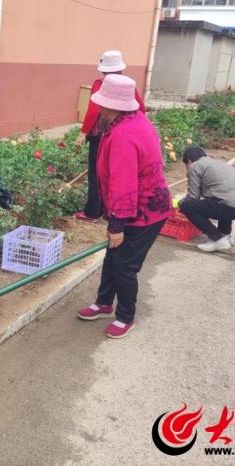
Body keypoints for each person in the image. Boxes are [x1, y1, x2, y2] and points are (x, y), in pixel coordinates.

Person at [76, 74, 171, 339]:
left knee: (125, 266)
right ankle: (104, 303)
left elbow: (123, 184)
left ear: (116, 105)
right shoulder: (132, 120)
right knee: (112, 257)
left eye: (103, 104)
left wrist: (116, 226)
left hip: (145, 211)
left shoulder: (124, 135)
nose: (100, 109)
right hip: (138, 205)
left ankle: (125, 315)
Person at [74, 50, 146, 222]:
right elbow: (141, 107)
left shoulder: (101, 83)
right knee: (115, 173)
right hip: (123, 135)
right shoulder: (127, 84)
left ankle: (93, 212)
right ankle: (111, 211)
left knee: (97, 172)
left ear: (103, 69)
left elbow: (93, 109)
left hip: (102, 136)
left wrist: (83, 132)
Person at [178, 147, 235, 253]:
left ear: (189, 162)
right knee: (220, 201)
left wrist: (179, 203)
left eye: (186, 166)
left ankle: (218, 239)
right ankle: (226, 235)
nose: (187, 168)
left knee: (187, 206)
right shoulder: (218, 163)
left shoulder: (195, 166)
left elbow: (192, 198)